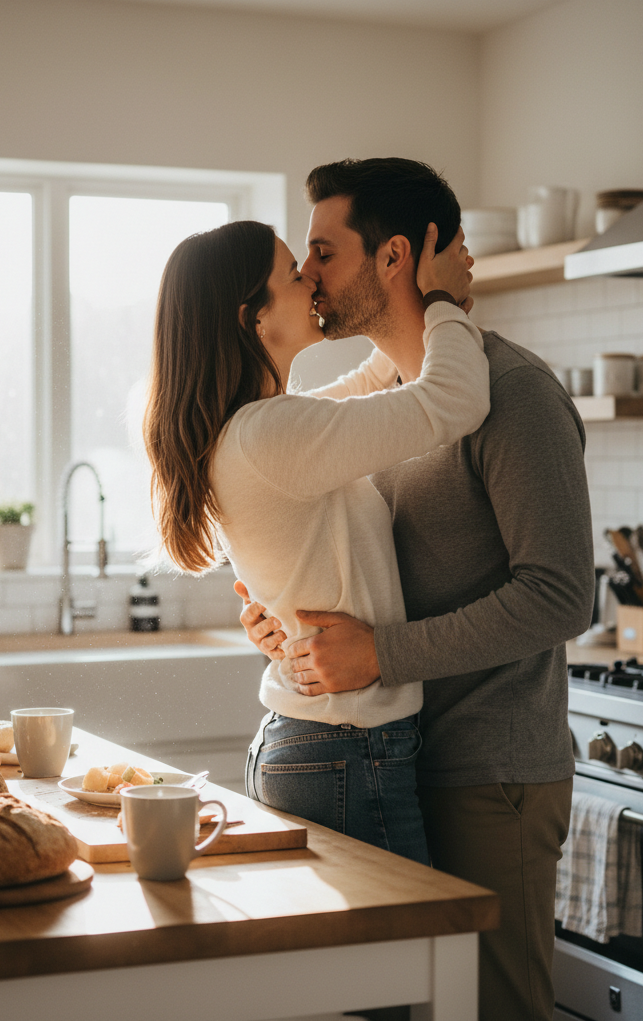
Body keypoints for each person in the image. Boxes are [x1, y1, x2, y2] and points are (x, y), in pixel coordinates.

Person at [237, 157, 595, 1021]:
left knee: (494, 1008)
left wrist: (379, 652)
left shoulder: (511, 394)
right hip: (390, 756)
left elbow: (560, 595)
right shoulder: (392, 398)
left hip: (488, 770)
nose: (308, 276)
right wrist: (277, 611)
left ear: (394, 258)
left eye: (323, 251)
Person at [142, 216, 489, 865]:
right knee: (397, 962)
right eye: (292, 274)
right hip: (348, 752)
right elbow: (453, 402)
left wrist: (409, 294)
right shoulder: (271, 434)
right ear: (255, 318)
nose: (310, 279)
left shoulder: (253, 429)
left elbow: (364, 391)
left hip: (328, 746)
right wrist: (438, 303)